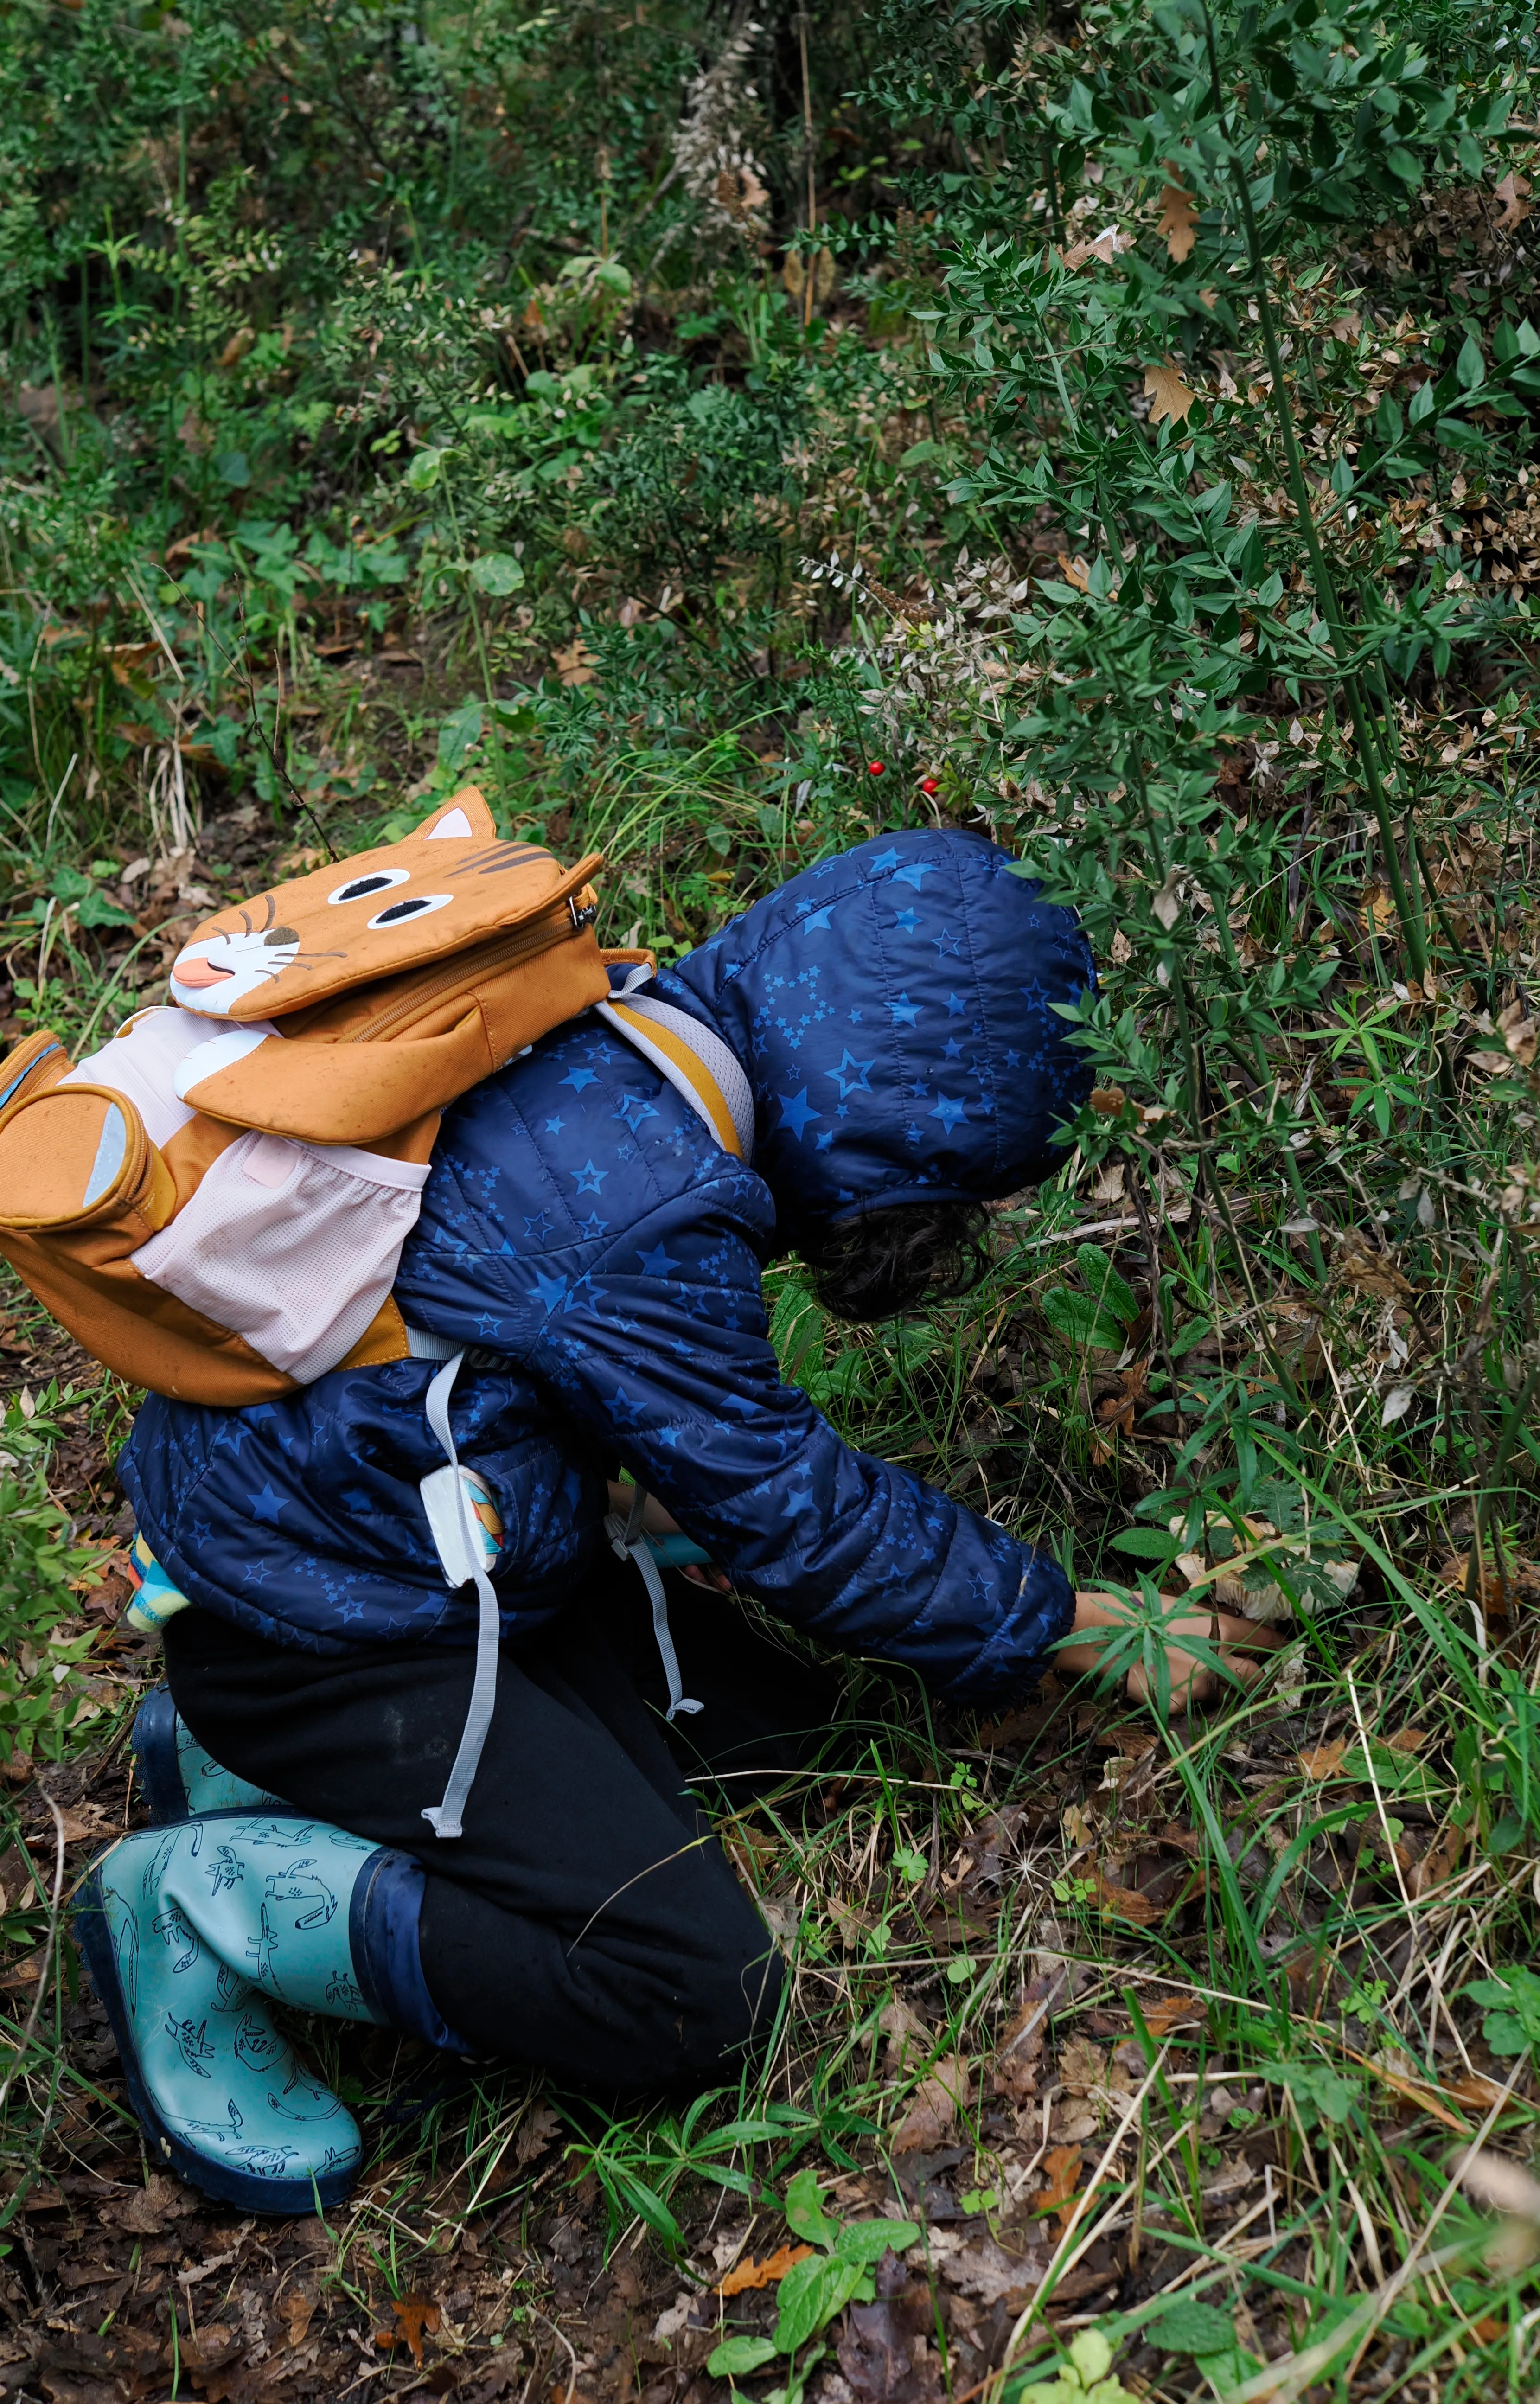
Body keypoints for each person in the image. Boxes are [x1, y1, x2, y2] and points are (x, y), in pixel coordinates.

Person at [75, 826, 1267, 2213]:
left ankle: (226, 1755)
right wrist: (1079, 1625)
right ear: (893, 1118)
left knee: (791, 1735)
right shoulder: (638, 1210)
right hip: (338, 1629)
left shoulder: (632, 1033)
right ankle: (199, 1902)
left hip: (408, 1544)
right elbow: (799, 1512)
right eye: (952, 1191)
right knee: (691, 1989)